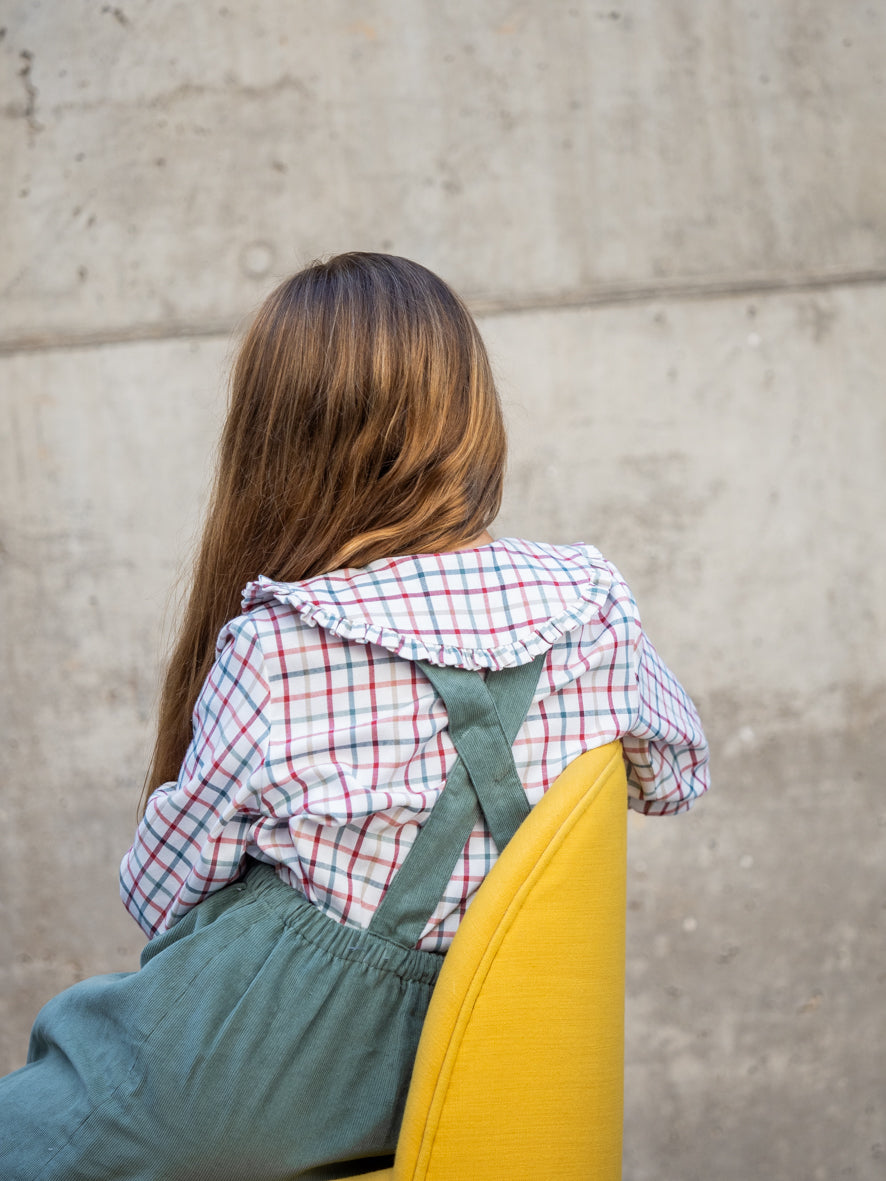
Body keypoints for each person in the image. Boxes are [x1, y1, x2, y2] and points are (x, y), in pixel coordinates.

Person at [0, 252, 709, 1179]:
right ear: (472, 417)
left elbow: (164, 894)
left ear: (278, 446)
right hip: (473, 1068)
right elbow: (672, 774)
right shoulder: (591, 605)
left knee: (29, 1131)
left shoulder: (279, 641)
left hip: (249, 1086)